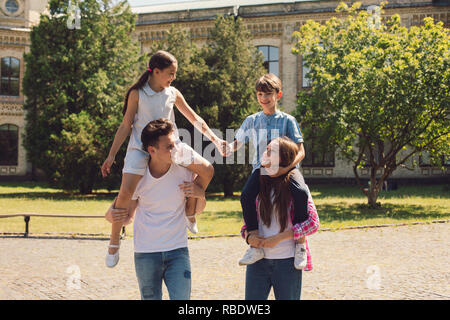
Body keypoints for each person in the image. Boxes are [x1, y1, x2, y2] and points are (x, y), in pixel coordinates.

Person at [101, 50, 227, 268]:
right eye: (170, 73)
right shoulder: (138, 93)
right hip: (140, 149)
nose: (173, 78)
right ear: (156, 72)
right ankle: (114, 241)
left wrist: (216, 140)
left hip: (171, 146)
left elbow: (195, 119)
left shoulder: (173, 93)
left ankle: (190, 211)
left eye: (175, 74)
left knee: (206, 168)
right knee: (125, 193)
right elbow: (125, 125)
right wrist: (111, 155)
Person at [105, 118, 208, 300]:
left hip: (178, 250)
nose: (175, 149)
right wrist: (110, 214)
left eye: (175, 143)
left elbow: (198, 208)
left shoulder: (185, 171)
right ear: (152, 150)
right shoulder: (138, 177)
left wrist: (200, 193)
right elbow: (127, 217)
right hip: (146, 253)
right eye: (169, 146)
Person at [226, 73, 309, 269]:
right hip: (262, 169)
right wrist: (228, 148)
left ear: (278, 95)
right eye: (260, 94)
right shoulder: (252, 121)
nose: (264, 99)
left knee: (301, 193)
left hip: (286, 170)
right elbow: (236, 143)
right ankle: (255, 245)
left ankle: (300, 244)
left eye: (268, 94)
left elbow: (301, 150)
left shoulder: (288, 120)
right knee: (246, 196)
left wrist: (286, 169)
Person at [243, 137, 319, 300]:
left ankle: (301, 248)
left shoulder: (296, 187)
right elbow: (246, 223)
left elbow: (313, 223)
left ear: (283, 158)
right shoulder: (258, 184)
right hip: (258, 262)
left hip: (287, 262)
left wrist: (279, 238)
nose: (266, 153)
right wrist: (249, 237)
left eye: (272, 151)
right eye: (267, 149)